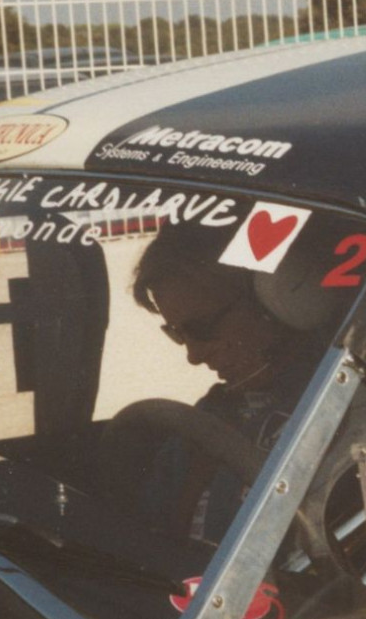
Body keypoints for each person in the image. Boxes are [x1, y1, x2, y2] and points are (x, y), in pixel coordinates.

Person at [128, 224, 320, 539]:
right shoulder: (205, 419)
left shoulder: (333, 414)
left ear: (271, 303)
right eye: (177, 333)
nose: (193, 355)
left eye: (202, 328)